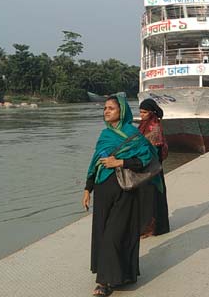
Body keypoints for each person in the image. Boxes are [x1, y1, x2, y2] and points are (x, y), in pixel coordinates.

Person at [81, 95, 158, 296]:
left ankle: (105, 283)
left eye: (111, 108)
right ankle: (122, 274)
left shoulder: (133, 134)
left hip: (125, 191)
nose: (106, 111)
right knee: (102, 233)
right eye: (105, 108)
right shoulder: (104, 135)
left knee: (114, 235)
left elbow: (146, 159)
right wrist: (88, 189)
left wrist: (120, 162)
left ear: (122, 111)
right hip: (102, 190)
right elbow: (95, 163)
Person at [137, 99, 170, 237]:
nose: (142, 115)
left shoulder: (153, 126)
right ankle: (149, 226)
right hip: (148, 167)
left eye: (144, 112)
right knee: (149, 198)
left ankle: (150, 228)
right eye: (140, 112)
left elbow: (154, 149)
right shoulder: (144, 125)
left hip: (151, 168)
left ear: (151, 112)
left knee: (150, 198)